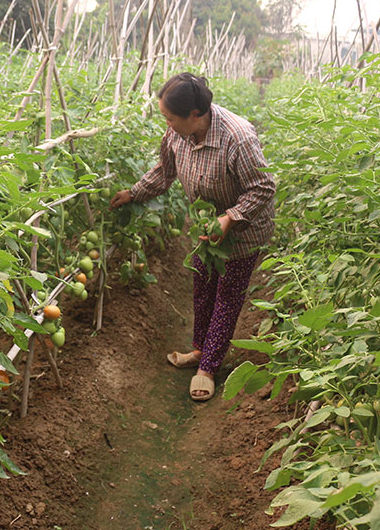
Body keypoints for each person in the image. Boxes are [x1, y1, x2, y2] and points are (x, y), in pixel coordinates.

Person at [110, 72, 276, 401]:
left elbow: (263, 187)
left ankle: (208, 368)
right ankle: (200, 350)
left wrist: (229, 219)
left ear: (195, 115)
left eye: (171, 119)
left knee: (227, 297)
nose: (167, 125)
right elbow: (165, 171)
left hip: (242, 231)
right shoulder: (178, 133)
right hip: (204, 229)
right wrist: (135, 192)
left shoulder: (237, 137)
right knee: (203, 289)